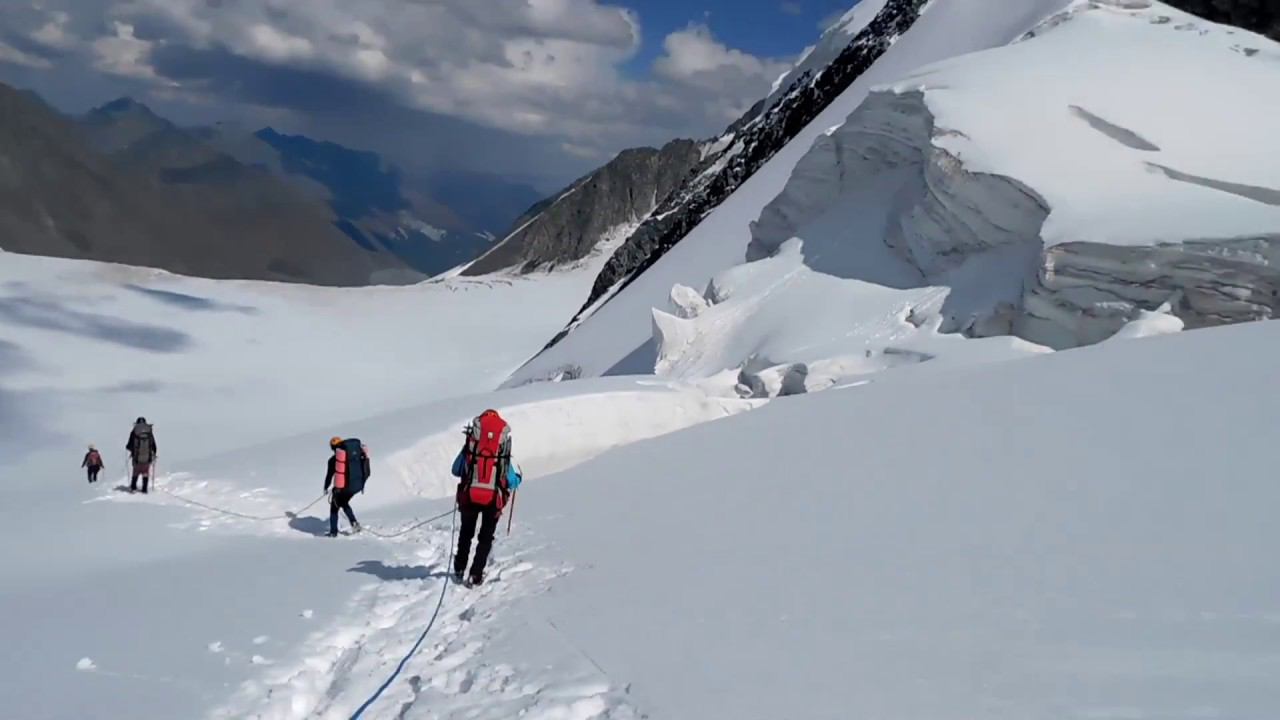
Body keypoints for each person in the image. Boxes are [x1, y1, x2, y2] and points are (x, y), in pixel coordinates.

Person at [451, 409, 523, 586]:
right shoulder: (501, 448)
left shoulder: (473, 445)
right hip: (493, 500)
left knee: (466, 533)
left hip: (470, 495)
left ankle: (459, 568)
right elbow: (510, 479)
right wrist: (518, 478)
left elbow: (456, 469)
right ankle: (476, 574)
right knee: (485, 537)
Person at [324, 437, 369, 537]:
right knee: (343, 502)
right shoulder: (353, 456)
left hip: (344, 488)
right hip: (356, 486)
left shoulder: (332, 460)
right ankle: (354, 523)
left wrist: (325, 487)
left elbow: (329, 475)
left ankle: (333, 532)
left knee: (334, 508)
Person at [126, 417, 157, 493]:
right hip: (147, 457)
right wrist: (153, 454)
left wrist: (132, 450)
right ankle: (144, 489)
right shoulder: (149, 431)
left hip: (136, 457)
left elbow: (129, 445)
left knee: (136, 471)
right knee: (145, 472)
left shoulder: (134, 431)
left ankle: (133, 487)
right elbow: (154, 445)